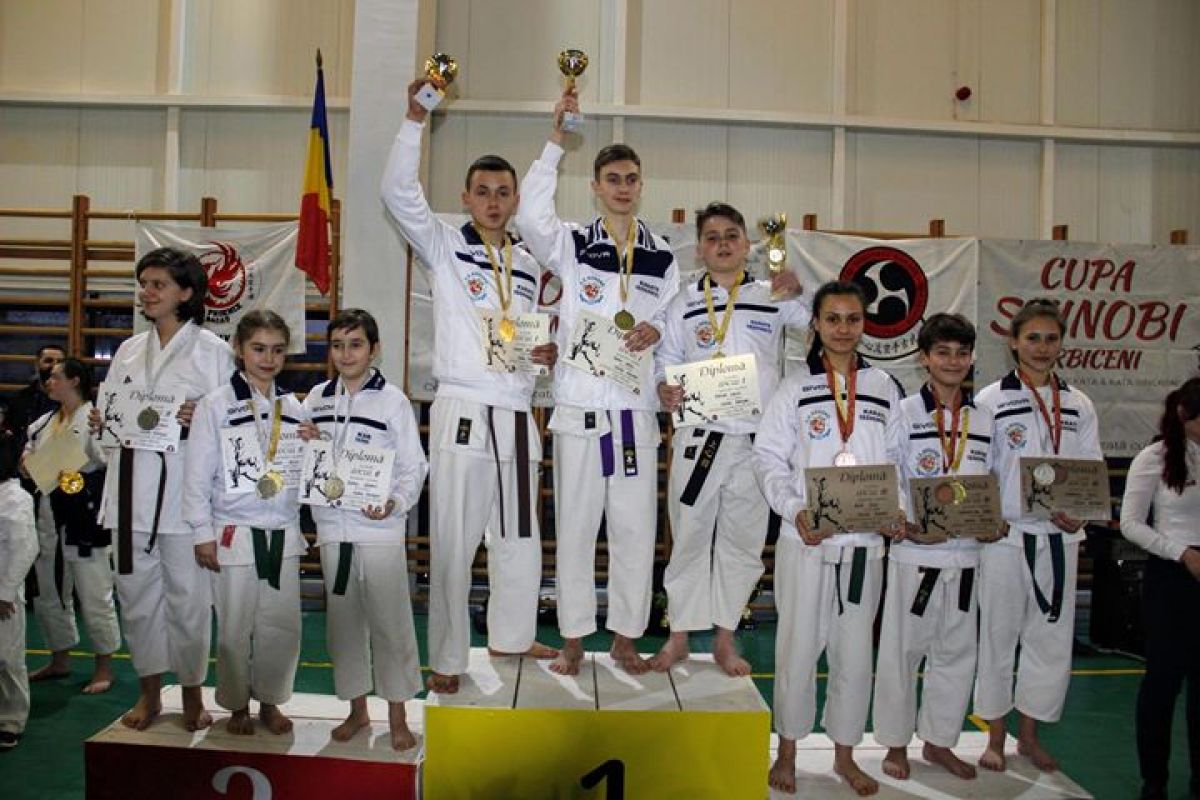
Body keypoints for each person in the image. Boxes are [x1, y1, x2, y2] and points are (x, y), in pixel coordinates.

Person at [381, 76, 558, 695]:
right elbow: (397, 192)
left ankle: (512, 635)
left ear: (515, 200)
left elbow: (536, 338)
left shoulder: (529, 264)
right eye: (482, 192)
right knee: (454, 539)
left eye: (503, 193)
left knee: (519, 534)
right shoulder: (443, 245)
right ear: (465, 197)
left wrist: (545, 354)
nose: (493, 201)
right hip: (462, 407)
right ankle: (448, 656)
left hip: (516, 411)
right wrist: (414, 120)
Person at [516, 87, 679, 676]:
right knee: (577, 531)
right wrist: (555, 141)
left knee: (635, 532)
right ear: (595, 186)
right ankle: (573, 638)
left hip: (634, 415)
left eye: (631, 179)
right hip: (581, 412)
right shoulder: (572, 244)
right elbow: (528, 217)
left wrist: (659, 335)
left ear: (641, 185)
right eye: (613, 179)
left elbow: (670, 329)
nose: (623, 187)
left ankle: (626, 637)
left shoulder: (662, 256)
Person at [754, 280, 905, 796]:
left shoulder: (884, 387)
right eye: (833, 319)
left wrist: (896, 508)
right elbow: (767, 458)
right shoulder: (794, 388)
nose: (843, 329)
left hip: (864, 544)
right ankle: (788, 750)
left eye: (853, 319)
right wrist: (794, 510)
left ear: (865, 324)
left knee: (854, 653)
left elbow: (898, 460)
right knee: (797, 647)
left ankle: (845, 754)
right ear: (815, 324)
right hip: (808, 540)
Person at [649, 202, 805, 676]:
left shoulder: (771, 295)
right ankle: (678, 636)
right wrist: (663, 387)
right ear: (699, 248)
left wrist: (800, 289)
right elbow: (665, 359)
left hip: (755, 442)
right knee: (689, 536)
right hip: (700, 437)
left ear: (747, 244)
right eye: (712, 237)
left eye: (731, 235)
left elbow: (813, 323)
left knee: (743, 542)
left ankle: (724, 638)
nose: (722, 244)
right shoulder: (683, 301)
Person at [89, 247, 234, 731]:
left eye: (158, 285)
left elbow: (232, 424)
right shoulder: (129, 351)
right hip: (129, 492)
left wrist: (201, 416)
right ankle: (149, 693)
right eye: (144, 284)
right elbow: (111, 428)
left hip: (182, 498)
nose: (147, 292)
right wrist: (103, 422)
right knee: (135, 598)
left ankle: (192, 693)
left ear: (186, 293)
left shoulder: (212, 351)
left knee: (188, 599)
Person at [973, 297, 1102, 772]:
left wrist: (1081, 515)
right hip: (1006, 538)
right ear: (1013, 342)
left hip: (1059, 538)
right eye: (1033, 338)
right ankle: (995, 736)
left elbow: (1090, 467)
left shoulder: (1078, 403)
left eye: (1051, 339)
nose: (1042, 347)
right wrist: (989, 516)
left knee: (1049, 640)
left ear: (1061, 344)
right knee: (998, 636)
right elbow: (979, 468)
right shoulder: (990, 400)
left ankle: (1029, 735)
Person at [872, 314, 1000, 781]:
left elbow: (992, 479)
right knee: (902, 653)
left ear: (971, 358)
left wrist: (993, 521)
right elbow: (890, 473)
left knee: (956, 654)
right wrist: (905, 520)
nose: (953, 362)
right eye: (942, 353)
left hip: (966, 556)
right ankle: (895, 743)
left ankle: (940, 741)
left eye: (962, 353)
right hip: (916, 555)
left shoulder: (983, 418)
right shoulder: (904, 412)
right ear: (924, 358)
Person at [299, 309, 427, 750]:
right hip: (333, 529)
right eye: (337, 345)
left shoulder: (392, 400)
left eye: (355, 345)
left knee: (391, 624)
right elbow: (305, 458)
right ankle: (356, 710)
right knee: (344, 625)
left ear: (374, 349)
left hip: (379, 529)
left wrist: (395, 502)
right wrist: (305, 444)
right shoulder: (316, 398)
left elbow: (414, 465)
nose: (345, 354)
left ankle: (398, 714)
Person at [184, 310, 306, 736]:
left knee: (281, 626)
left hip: (283, 532)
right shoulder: (215, 404)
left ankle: (271, 701)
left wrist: (316, 445)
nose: (268, 359)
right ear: (238, 349)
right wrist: (202, 534)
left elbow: (303, 469)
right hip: (234, 531)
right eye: (259, 349)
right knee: (235, 628)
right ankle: (237, 705)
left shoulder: (294, 406)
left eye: (277, 350)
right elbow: (196, 477)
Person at [1120, 377, 1200, 800]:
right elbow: (1131, 523)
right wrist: (1182, 553)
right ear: (1185, 414)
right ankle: (1154, 780)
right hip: (1171, 578)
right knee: (1163, 683)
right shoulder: (1154, 457)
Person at [23, 358, 120, 694]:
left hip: (84, 513)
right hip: (48, 511)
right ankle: (59, 658)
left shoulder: (94, 418)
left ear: (74, 381)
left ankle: (104, 666)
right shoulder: (43, 422)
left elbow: (107, 459)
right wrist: (27, 462)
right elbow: (27, 455)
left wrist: (97, 436)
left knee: (94, 590)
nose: (49, 381)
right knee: (49, 591)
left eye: (56, 377)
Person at [0, 433, 38, 749]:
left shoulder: (16, 498)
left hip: (4, 594)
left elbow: (25, 550)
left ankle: (10, 720)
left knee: (7, 659)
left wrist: (5, 593)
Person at [6, 344, 65, 445]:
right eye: (48, 361)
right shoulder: (20, 400)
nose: (54, 366)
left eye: (60, 362)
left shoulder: (73, 401)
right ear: (37, 365)